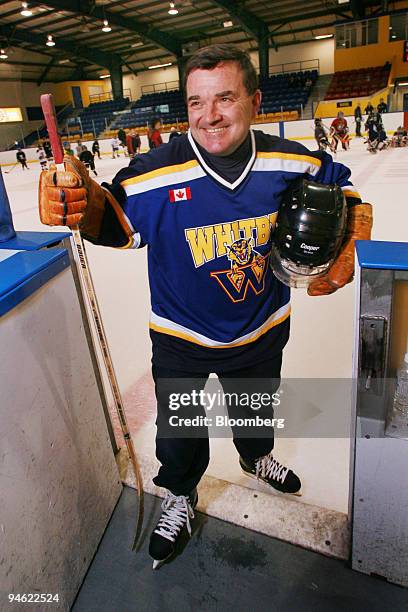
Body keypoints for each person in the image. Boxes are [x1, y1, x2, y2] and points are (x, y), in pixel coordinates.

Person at [38, 44, 372, 569]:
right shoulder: (154, 174)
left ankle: (254, 455)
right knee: (182, 433)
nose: (209, 115)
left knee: (255, 410)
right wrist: (82, 203)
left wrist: (350, 237)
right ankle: (180, 494)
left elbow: (341, 188)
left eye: (224, 98)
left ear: (255, 101)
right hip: (182, 339)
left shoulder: (292, 160)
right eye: (196, 102)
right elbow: (114, 222)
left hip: (263, 327)